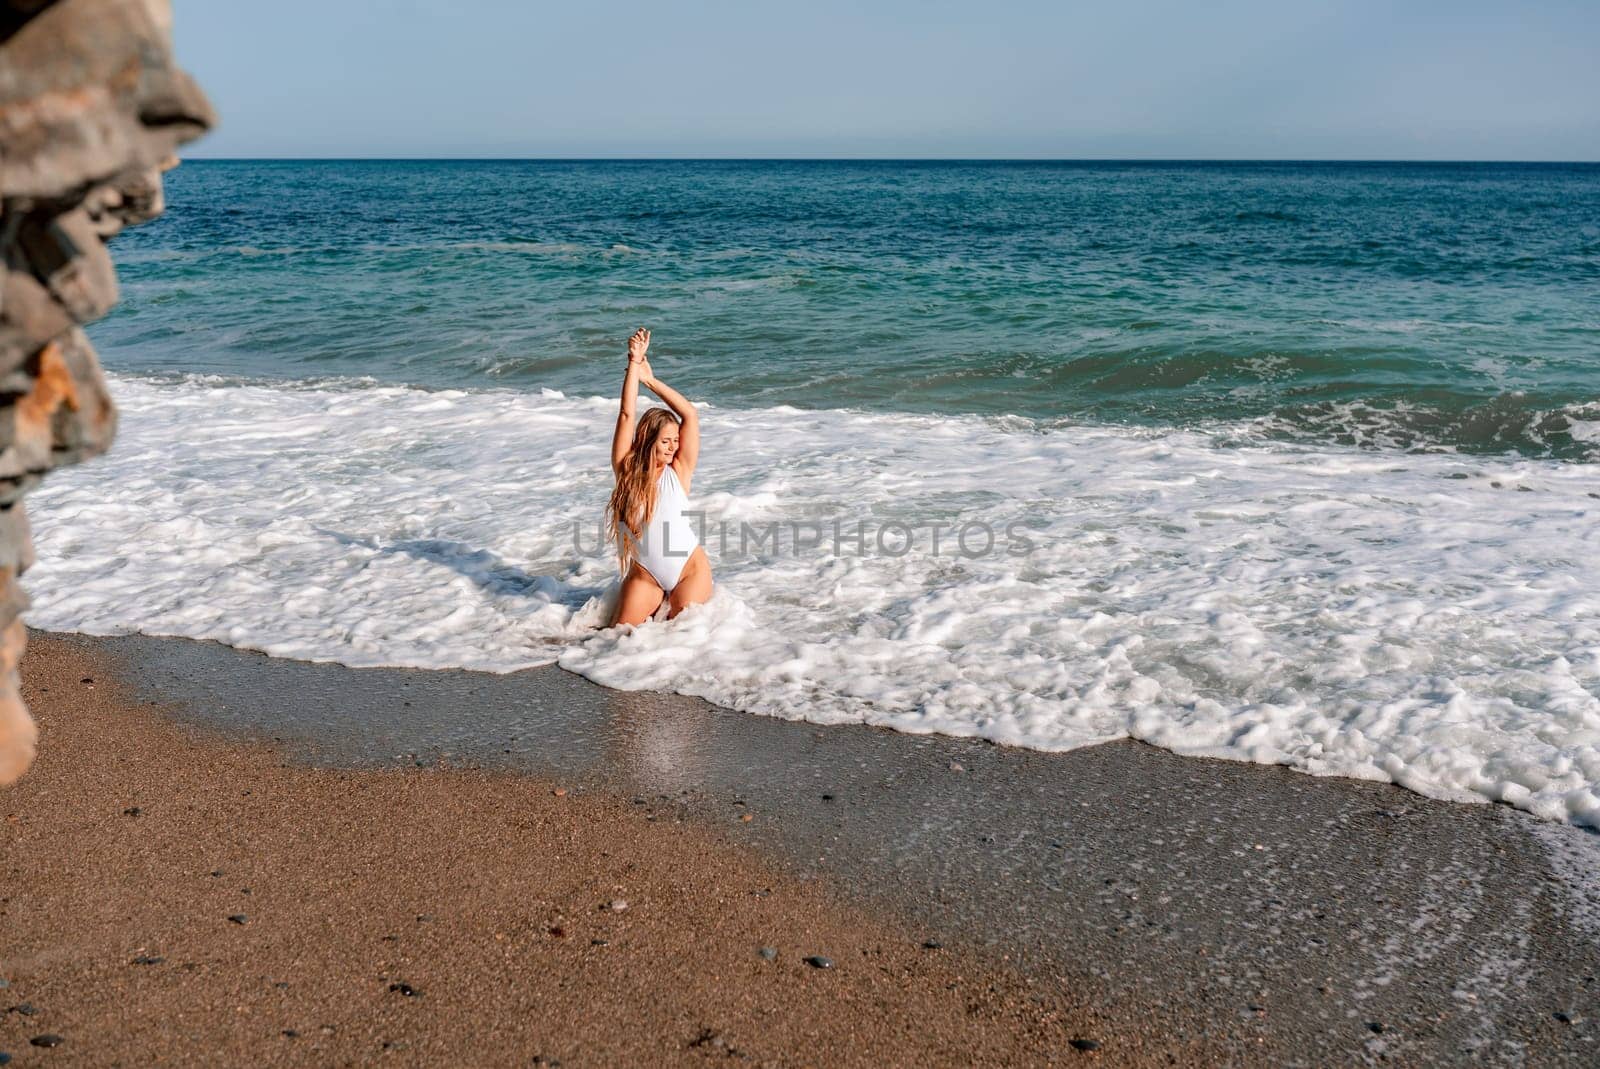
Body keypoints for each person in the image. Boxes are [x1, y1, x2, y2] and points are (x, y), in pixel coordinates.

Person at [606, 328, 714, 626]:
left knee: (683, 635)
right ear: (648, 439)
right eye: (666, 441)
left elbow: (690, 414)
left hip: (688, 571)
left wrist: (650, 380)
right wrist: (633, 362)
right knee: (616, 637)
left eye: (676, 441)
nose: (673, 448)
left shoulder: (679, 472)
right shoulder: (626, 470)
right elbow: (627, 414)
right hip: (646, 574)